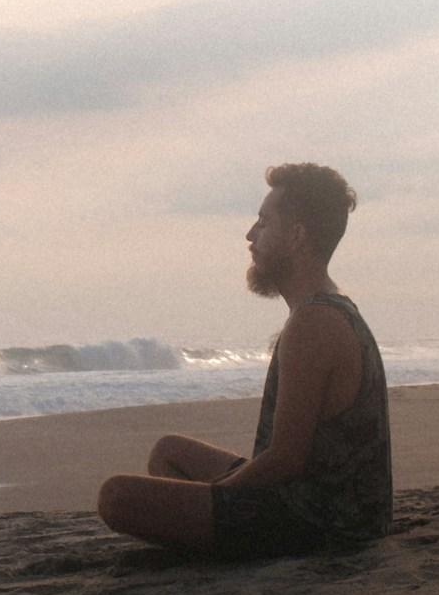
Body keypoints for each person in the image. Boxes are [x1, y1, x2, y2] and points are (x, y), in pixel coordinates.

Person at [96, 163, 392, 558]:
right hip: (318, 503)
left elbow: (285, 459)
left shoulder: (315, 323)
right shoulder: (324, 309)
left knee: (116, 496)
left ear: (297, 236)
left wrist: (218, 496)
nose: (250, 235)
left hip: (324, 523)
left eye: (264, 223)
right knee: (169, 453)